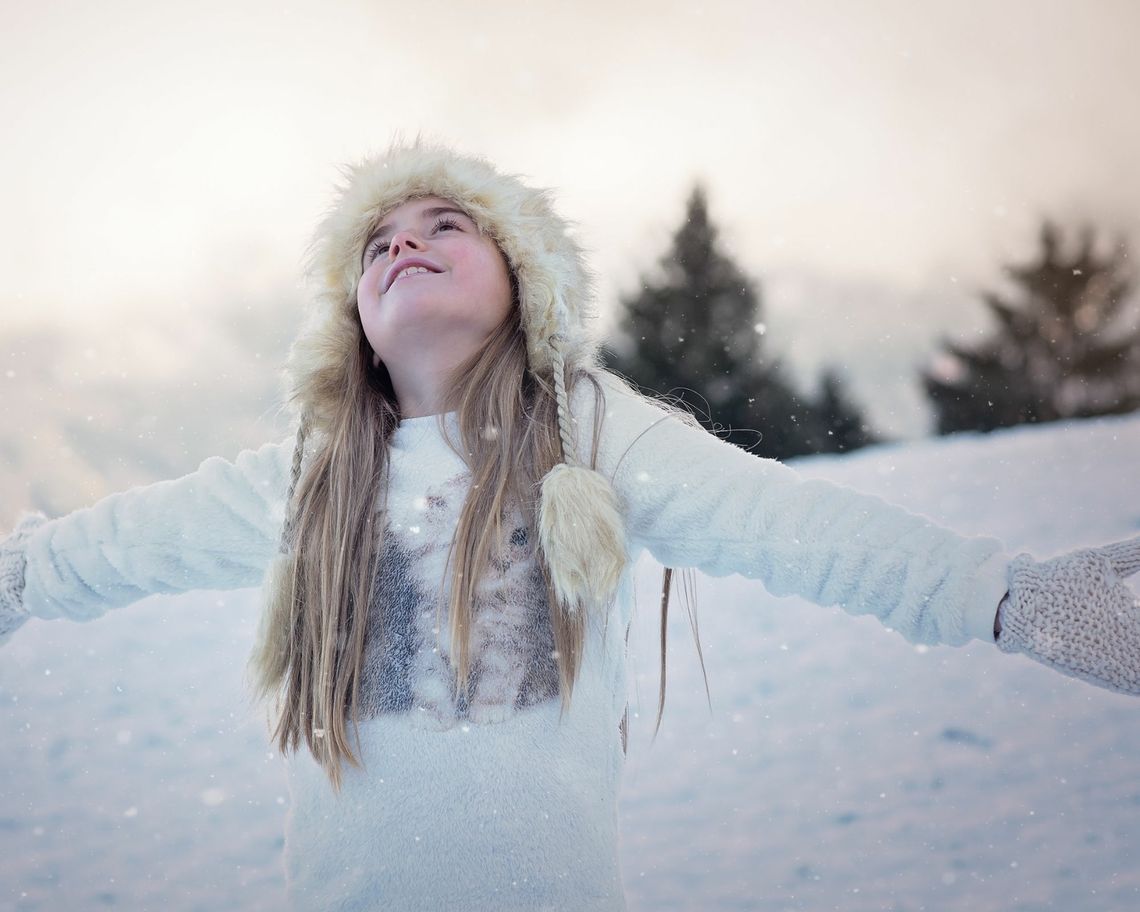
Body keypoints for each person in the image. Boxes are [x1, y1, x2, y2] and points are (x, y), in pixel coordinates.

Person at [1, 140, 1137, 912]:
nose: (403, 242)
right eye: (377, 243)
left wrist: (1005, 593)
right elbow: (123, 543)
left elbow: (793, 525)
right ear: (353, 319)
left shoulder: (589, 432)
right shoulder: (313, 472)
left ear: (524, 281)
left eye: (446, 223)